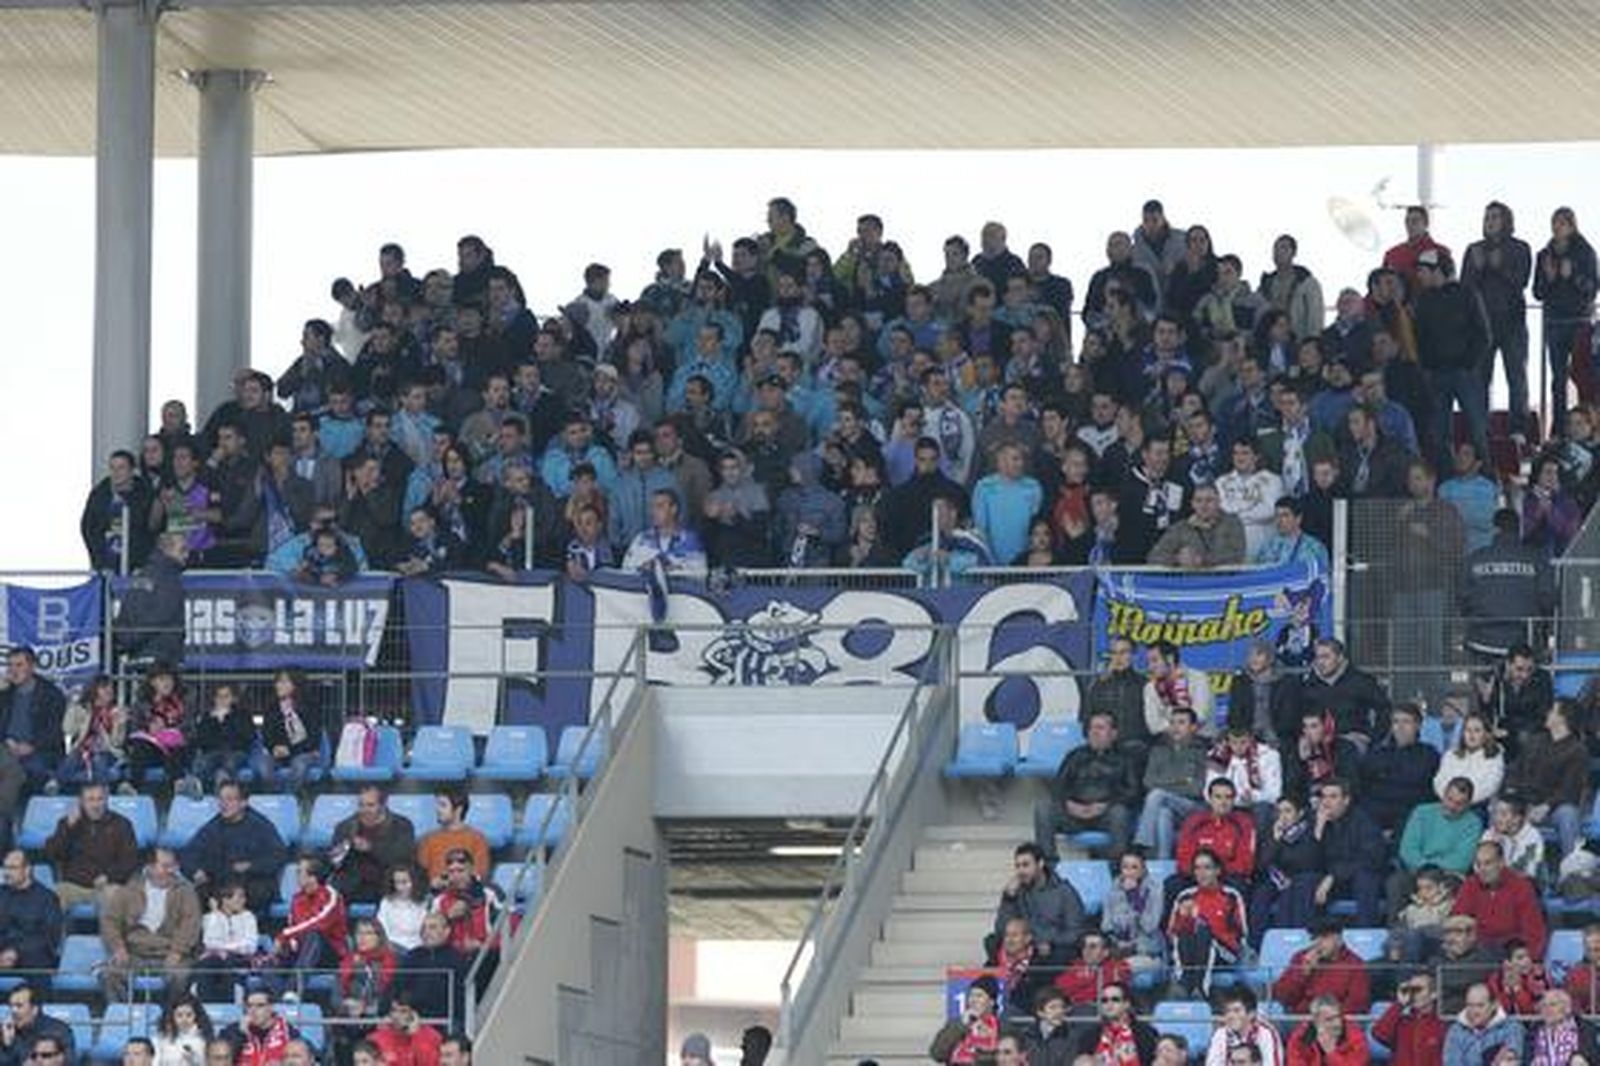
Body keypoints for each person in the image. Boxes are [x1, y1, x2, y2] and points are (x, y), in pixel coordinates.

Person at [1034, 710, 1136, 861]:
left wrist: (1106, 805)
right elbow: (1058, 787)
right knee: (1044, 808)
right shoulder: (1074, 756)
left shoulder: (1125, 759)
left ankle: (1117, 866)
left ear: (1114, 734)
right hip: (1074, 816)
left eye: (1100, 728)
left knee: (1119, 813)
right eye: (1091, 728)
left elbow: (1133, 791)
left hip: (1105, 815)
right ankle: (1050, 864)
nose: (1094, 732)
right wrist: (1069, 804)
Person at [101, 847, 201, 1000]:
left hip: (170, 952)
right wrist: (118, 948)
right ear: (150, 867)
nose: (171, 870)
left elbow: (190, 924)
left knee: (181, 976)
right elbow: (110, 921)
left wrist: (178, 951)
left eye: (173, 866)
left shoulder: (186, 891)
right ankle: (121, 1012)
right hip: (134, 953)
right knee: (110, 974)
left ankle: (173, 1012)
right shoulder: (129, 889)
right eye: (166, 866)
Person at [1533, 207, 1596, 437]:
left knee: (1583, 377)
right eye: (1554, 223)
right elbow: (1537, 292)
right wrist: (1549, 279)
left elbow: (1592, 289)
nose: (1557, 228)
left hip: (1580, 321)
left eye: (1562, 223)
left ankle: (1588, 428)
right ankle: (1559, 429)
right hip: (1555, 322)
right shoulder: (1545, 255)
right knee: (1558, 379)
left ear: (1571, 226)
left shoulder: (1585, 252)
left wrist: (1574, 276)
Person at [1462, 509, 1556, 662]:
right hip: (1525, 643)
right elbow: (1548, 600)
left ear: (1495, 529)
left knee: (1483, 677)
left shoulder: (1475, 558)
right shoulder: (1536, 559)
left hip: (1482, 641)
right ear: (1518, 529)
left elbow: (1463, 599)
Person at [182, 780, 289, 912]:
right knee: (196, 893)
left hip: (252, 882)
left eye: (230, 799)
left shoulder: (261, 826)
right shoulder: (212, 827)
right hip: (222, 883)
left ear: (243, 803)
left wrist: (250, 866)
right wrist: (195, 871)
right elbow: (188, 854)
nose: (223, 804)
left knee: (256, 891)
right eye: (221, 799)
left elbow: (279, 855)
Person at [1502, 701, 1588, 858]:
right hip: (1524, 801)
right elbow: (1515, 768)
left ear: (1563, 718)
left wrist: (1546, 806)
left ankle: (1571, 867)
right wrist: (1511, 790)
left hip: (1553, 808)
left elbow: (1569, 790)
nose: (1547, 713)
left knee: (1568, 814)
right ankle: (1498, 861)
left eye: (1552, 711)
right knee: (1500, 805)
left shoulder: (1577, 751)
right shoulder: (1536, 740)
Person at [1388, 777, 1482, 918]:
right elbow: (1407, 850)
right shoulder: (1422, 812)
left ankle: (1444, 929)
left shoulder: (1473, 823)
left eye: (1459, 803)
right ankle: (1396, 928)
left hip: (1448, 875)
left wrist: (1432, 874)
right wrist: (1425, 871)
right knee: (1396, 883)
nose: (1452, 806)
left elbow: (1462, 861)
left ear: (1468, 804)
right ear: (1443, 795)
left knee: (1454, 887)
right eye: (1449, 799)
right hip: (1416, 871)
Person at [41, 780, 138, 914]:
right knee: (52, 896)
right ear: (81, 802)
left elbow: (130, 860)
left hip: (107, 886)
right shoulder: (66, 823)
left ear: (106, 800)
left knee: (115, 897)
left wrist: (110, 877)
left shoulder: (122, 824)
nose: (95, 805)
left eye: (100, 799)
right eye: (90, 800)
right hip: (73, 886)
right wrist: (68, 828)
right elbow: (52, 854)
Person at [1167, 848, 1248, 997]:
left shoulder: (1231, 895)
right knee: (1188, 931)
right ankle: (1186, 981)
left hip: (1225, 953)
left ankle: (1199, 988)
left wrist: (1206, 930)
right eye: (1197, 868)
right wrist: (1186, 918)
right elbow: (1172, 933)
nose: (1201, 873)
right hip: (1190, 952)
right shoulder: (1185, 896)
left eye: (1207, 868)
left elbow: (1242, 934)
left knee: (1203, 931)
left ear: (1217, 871)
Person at [991, 843, 1086, 965]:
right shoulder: (1017, 891)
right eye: (1017, 866)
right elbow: (1001, 929)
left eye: (1025, 865)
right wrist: (1008, 899)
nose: (1020, 871)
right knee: (991, 942)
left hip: (1053, 949)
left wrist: (1051, 942)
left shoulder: (1064, 891)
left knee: (1061, 953)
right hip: (1025, 946)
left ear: (1040, 864)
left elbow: (1075, 932)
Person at [1133, 708, 1210, 860]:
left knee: (1157, 795)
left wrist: (1164, 785)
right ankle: (1163, 861)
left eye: (1181, 723)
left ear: (1193, 727)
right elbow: (1148, 782)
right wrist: (1181, 782)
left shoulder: (1203, 751)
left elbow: (1197, 788)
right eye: (1172, 723)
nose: (1175, 727)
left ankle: (1142, 844)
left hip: (1194, 806)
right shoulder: (1158, 750)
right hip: (1167, 804)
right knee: (1163, 812)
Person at [1308, 778, 1386, 925]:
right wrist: (1318, 830)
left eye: (1333, 796)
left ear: (1346, 800)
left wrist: (1334, 876)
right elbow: (1309, 864)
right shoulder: (1316, 821)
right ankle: (1304, 934)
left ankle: (1365, 934)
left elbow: (1372, 858)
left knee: (1366, 878)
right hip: (1330, 882)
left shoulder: (1363, 821)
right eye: (1324, 797)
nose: (1326, 802)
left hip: (1355, 878)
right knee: (1305, 881)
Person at [1453, 840, 1547, 958]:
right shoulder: (1470, 885)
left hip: (1508, 951)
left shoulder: (1521, 887)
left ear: (1501, 862)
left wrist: (1525, 957)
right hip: (1474, 947)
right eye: (1478, 864)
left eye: (1488, 863)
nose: (1482, 869)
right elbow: (1457, 920)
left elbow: (1533, 933)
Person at [0, 648, 67, 810]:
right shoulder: (5, 693)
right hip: (6, 747)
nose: (13, 670)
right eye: (10, 665)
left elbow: (54, 731)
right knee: (11, 768)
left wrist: (32, 746)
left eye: (19, 665)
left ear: (32, 667)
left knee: (25, 771)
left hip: (40, 750)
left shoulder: (51, 694)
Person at [1358, 704, 1440, 834]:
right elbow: (1364, 786)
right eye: (1396, 722)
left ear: (1418, 725)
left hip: (1411, 816)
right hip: (1376, 815)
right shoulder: (1377, 754)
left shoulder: (1429, 755)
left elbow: (1429, 791)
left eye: (1406, 722)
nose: (1400, 727)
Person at [330, 785, 418, 905]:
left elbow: (403, 858)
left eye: (370, 805)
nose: (364, 810)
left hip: (386, 883)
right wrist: (342, 851)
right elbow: (334, 861)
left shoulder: (402, 825)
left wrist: (371, 848)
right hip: (352, 884)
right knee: (333, 891)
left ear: (383, 805)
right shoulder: (345, 826)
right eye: (361, 805)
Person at [1297, 639, 1389, 748]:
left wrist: (1373, 739)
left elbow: (1384, 709)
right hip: (1319, 745)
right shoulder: (1309, 686)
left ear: (1340, 658)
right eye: (1318, 657)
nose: (1320, 662)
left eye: (1326, 657)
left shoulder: (1361, 681)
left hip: (1353, 744)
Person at [1273, 918, 1372, 1015]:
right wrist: (1302, 973)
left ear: (1339, 939)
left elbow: (1358, 1005)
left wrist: (1329, 1018)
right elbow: (1284, 998)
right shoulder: (1300, 958)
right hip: (1302, 1019)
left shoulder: (1354, 964)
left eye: (1324, 937)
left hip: (1336, 1021)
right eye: (1314, 938)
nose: (1318, 943)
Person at [253, 669, 328, 791]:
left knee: (299, 765)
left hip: (304, 752)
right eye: (278, 682)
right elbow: (266, 735)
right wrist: (274, 748)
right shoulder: (271, 707)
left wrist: (290, 750)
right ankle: (275, 797)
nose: (278, 685)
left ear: (296, 684)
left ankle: (292, 798)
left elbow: (313, 738)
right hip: (279, 753)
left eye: (284, 682)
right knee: (263, 766)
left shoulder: (310, 706)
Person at [276, 857, 347, 984]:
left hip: (329, 953)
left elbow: (319, 923)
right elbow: (293, 925)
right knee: (269, 963)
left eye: (299, 872)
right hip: (302, 952)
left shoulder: (330, 895)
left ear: (312, 877)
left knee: (313, 935)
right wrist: (288, 944)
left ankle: (294, 988)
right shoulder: (297, 899)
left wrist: (284, 935)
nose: (296, 876)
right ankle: (283, 994)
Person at [396, 911, 469, 1028]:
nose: (426, 932)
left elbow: (459, 997)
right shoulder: (412, 956)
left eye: (432, 927)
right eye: (424, 928)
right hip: (411, 1019)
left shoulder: (456, 959)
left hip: (445, 1021)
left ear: (447, 931)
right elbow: (396, 986)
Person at [1103, 852, 1166, 975]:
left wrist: (1134, 897)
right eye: (1125, 867)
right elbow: (1106, 925)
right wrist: (1118, 941)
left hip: (1147, 951)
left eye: (1134, 867)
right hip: (1119, 949)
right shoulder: (1113, 890)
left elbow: (1149, 926)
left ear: (1143, 870)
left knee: (1117, 970)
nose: (1129, 872)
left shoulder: (1155, 890)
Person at [195, 878, 258, 1001]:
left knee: (226, 961)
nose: (243, 900)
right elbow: (209, 942)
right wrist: (215, 914)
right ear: (225, 900)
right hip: (215, 960)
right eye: (239, 897)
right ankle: (205, 1004)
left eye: (244, 897)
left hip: (239, 959)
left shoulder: (248, 917)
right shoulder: (210, 917)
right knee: (207, 963)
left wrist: (224, 950)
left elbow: (250, 946)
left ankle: (231, 1002)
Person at [417, 789, 491, 888]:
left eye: (443, 805)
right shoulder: (428, 839)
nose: (437, 810)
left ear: (458, 809)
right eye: (437, 805)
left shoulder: (477, 839)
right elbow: (420, 876)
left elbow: (478, 875)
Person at [1086, 636, 1150, 753]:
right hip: (1106, 748)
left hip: (1136, 748)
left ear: (1133, 656)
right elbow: (1087, 720)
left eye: (1123, 652)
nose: (1118, 657)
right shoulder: (1099, 686)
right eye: (1114, 653)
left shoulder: (1144, 685)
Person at [0, 851, 60, 973]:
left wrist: (15, 952)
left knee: (39, 956)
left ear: (27, 870)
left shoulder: (47, 898)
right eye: (5, 867)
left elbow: (49, 937)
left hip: (32, 958)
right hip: (3, 953)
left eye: (12, 868)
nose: (6, 873)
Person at [1070, 981, 1158, 1063]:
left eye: (1115, 999)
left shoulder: (1145, 1033)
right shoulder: (1089, 1036)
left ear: (1126, 1004)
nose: (1109, 1004)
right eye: (1104, 1000)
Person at [1372, 971, 1446, 1066]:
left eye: (1418, 989)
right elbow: (1379, 1034)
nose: (1413, 994)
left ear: (1433, 994)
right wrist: (1399, 1004)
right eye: (1410, 990)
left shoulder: (1441, 1027)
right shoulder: (1401, 1023)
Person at [1431, 916, 1501, 1015]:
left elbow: (1456, 981)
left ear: (1472, 936)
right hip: (1439, 1015)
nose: (1451, 939)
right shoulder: (1435, 959)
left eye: (1458, 932)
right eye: (1447, 933)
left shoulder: (1483, 958)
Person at [1142, 642, 1215, 737]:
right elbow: (1154, 726)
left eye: (1154, 660)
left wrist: (1174, 726)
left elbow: (1200, 716)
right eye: (1148, 662)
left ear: (1170, 658)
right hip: (1167, 741)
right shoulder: (1150, 688)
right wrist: (1178, 727)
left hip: (1200, 739)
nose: (1150, 667)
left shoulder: (1198, 679)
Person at [1443, 982, 1524, 1066]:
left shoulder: (1511, 1029)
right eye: (1470, 1005)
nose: (1474, 1011)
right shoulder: (1456, 1031)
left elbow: (1510, 1061)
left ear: (1494, 1005)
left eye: (1480, 1006)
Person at [1434, 713, 1504, 806]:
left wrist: (1461, 801)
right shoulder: (1451, 755)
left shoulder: (1494, 758)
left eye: (1477, 730)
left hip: (1476, 807)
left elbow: (1489, 787)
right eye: (1468, 730)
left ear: (1486, 734)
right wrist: (1450, 800)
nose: (1471, 734)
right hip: (1446, 804)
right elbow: (1439, 781)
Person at [221, 986, 302, 1066]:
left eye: (260, 1005)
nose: (253, 1010)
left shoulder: (287, 1032)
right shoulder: (232, 1031)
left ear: (271, 1007)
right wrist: (240, 1035)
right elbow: (222, 1059)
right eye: (249, 1006)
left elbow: (306, 1058)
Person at [1205, 987, 1285, 1066]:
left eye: (1236, 1011)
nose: (1230, 1016)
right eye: (1228, 1011)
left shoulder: (1266, 1033)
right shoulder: (1220, 1034)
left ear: (1251, 1014)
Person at [929, 976, 1000, 1064]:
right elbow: (937, 1054)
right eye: (971, 995)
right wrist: (961, 1026)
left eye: (979, 996)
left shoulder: (1001, 1028)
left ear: (991, 1002)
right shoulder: (956, 1025)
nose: (973, 1000)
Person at [0, 984, 74, 1066]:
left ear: (34, 1009)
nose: (13, 1011)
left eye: (19, 1006)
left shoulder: (59, 1031)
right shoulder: (6, 1032)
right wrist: (7, 1046)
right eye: (11, 1006)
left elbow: (69, 1063)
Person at [339, 918, 398, 1019]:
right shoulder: (348, 961)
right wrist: (346, 1004)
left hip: (380, 1016)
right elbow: (336, 994)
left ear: (379, 937)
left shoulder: (389, 961)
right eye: (359, 933)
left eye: (368, 933)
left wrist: (365, 1007)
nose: (362, 938)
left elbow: (384, 992)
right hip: (349, 1015)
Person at [1285, 995, 1369, 1066]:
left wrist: (1331, 1053)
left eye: (1338, 1017)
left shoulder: (1355, 1037)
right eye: (1329, 1020)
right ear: (1316, 1021)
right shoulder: (1300, 1039)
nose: (1337, 1023)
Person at [1525, 988, 1600, 1066]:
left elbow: (1595, 1059)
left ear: (1566, 1008)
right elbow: (1526, 1060)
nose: (1547, 1009)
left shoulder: (1584, 1029)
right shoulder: (1534, 1032)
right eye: (1544, 1005)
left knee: (1578, 1061)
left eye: (1553, 1005)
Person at [1488, 938, 1551, 1017]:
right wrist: (1507, 991)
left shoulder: (1539, 976)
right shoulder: (1496, 980)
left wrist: (1518, 990)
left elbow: (1531, 1010)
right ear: (1507, 963)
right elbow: (1500, 1009)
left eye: (1528, 956)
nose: (1527, 961)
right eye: (1520, 958)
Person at [377, 864, 428, 953]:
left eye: (405, 882)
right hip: (393, 948)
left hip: (420, 947)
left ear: (414, 882)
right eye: (397, 882)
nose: (400, 887)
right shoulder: (386, 902)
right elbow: (382, 928)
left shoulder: (424, 903)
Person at [152, 993, 214, 1066]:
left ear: (196, 1016)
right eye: (179, 1015)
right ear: (172, 1017)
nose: (184, 1020)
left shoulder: (203, 1039)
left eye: (189, 1015)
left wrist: (193, 1058)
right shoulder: (163, 1039)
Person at [1564, 924, 1600, 1015]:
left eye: (1597, 948)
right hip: (1585, 1020)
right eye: (1589, 948)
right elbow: (1571, 1003)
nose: (1593, 946)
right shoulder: (1575, 973)